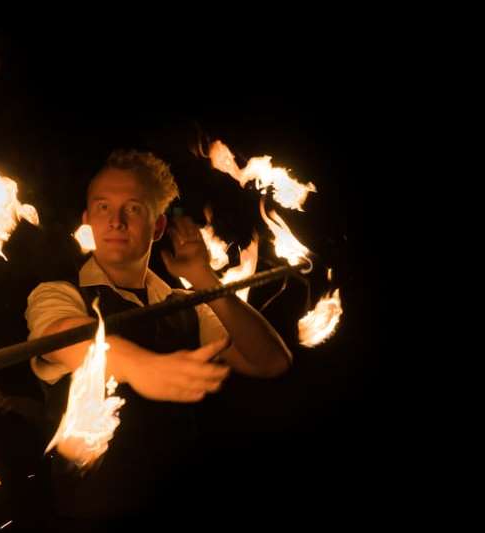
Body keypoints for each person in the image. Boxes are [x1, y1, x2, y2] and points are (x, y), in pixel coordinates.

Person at [25, 149, 292, 526]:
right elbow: (61, 337)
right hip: (93, 516)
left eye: (132, 208)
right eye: (102, 207)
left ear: (158, 227)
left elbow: (270, 362)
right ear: (87, 219)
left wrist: (204, 278)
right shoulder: (59, 293)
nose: (115, 221)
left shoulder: (187, 302)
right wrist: (140, 367)